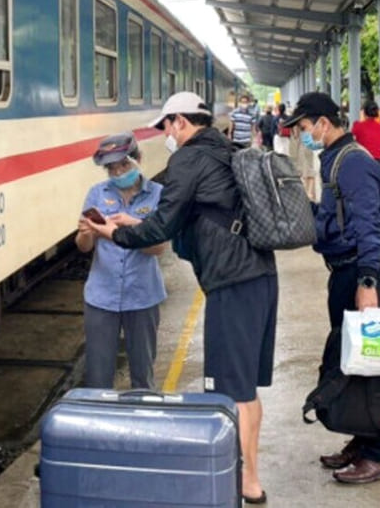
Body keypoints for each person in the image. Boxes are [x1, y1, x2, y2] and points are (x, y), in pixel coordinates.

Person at [87, 92, 278, 505]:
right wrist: (136, 221)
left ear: (179, 122)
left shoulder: (189, 160)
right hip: (260, 275)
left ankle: (244, 482)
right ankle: (250, 475)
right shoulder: (226, 150)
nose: (166, 136)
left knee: (229, 390)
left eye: (166, 127)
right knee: (246, 388)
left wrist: (115, 232)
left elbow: (162, 227)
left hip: (232, 280)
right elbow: (178, 216)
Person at [283, 92, 380, 484]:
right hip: (343, 272)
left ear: (323, 123)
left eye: (303, 128)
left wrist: (367, 282)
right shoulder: (334, 159)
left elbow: (367, 225)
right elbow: (336, 219)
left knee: (373, 366)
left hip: (357, 275)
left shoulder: (353, 164)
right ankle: (363, 441)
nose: (303, 135)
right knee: (353, 359)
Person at [76, 132, 167, 390]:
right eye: (111, 168)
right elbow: (83, 247)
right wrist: (85, 235)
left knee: (142, 375)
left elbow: (158, 248)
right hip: (101, 298)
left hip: (142, 296)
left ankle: (141, 420)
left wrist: (132, 229)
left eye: (123, 165)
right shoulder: (96, 194)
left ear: (138, 159)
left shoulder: (158, 195)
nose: (118, 172)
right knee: (98, 375)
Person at [352, 100, 380, 167]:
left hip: (362, 160)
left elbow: (352, 144)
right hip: (379, 162)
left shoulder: (357, 126)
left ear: (363, 112)